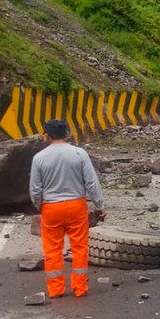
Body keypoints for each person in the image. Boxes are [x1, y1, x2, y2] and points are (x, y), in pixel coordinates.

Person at [29, 119, 104, 299]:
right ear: (67, 133)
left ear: (46, 135)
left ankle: (56, 289)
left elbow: (35, 189)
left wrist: (40, 205)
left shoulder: (39, 158)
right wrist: (100, 205)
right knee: (79, 247)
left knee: (52, 249)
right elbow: (92, 183)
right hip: (76, 206)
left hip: (51, 207)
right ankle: (80, 288)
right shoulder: (79, 154)